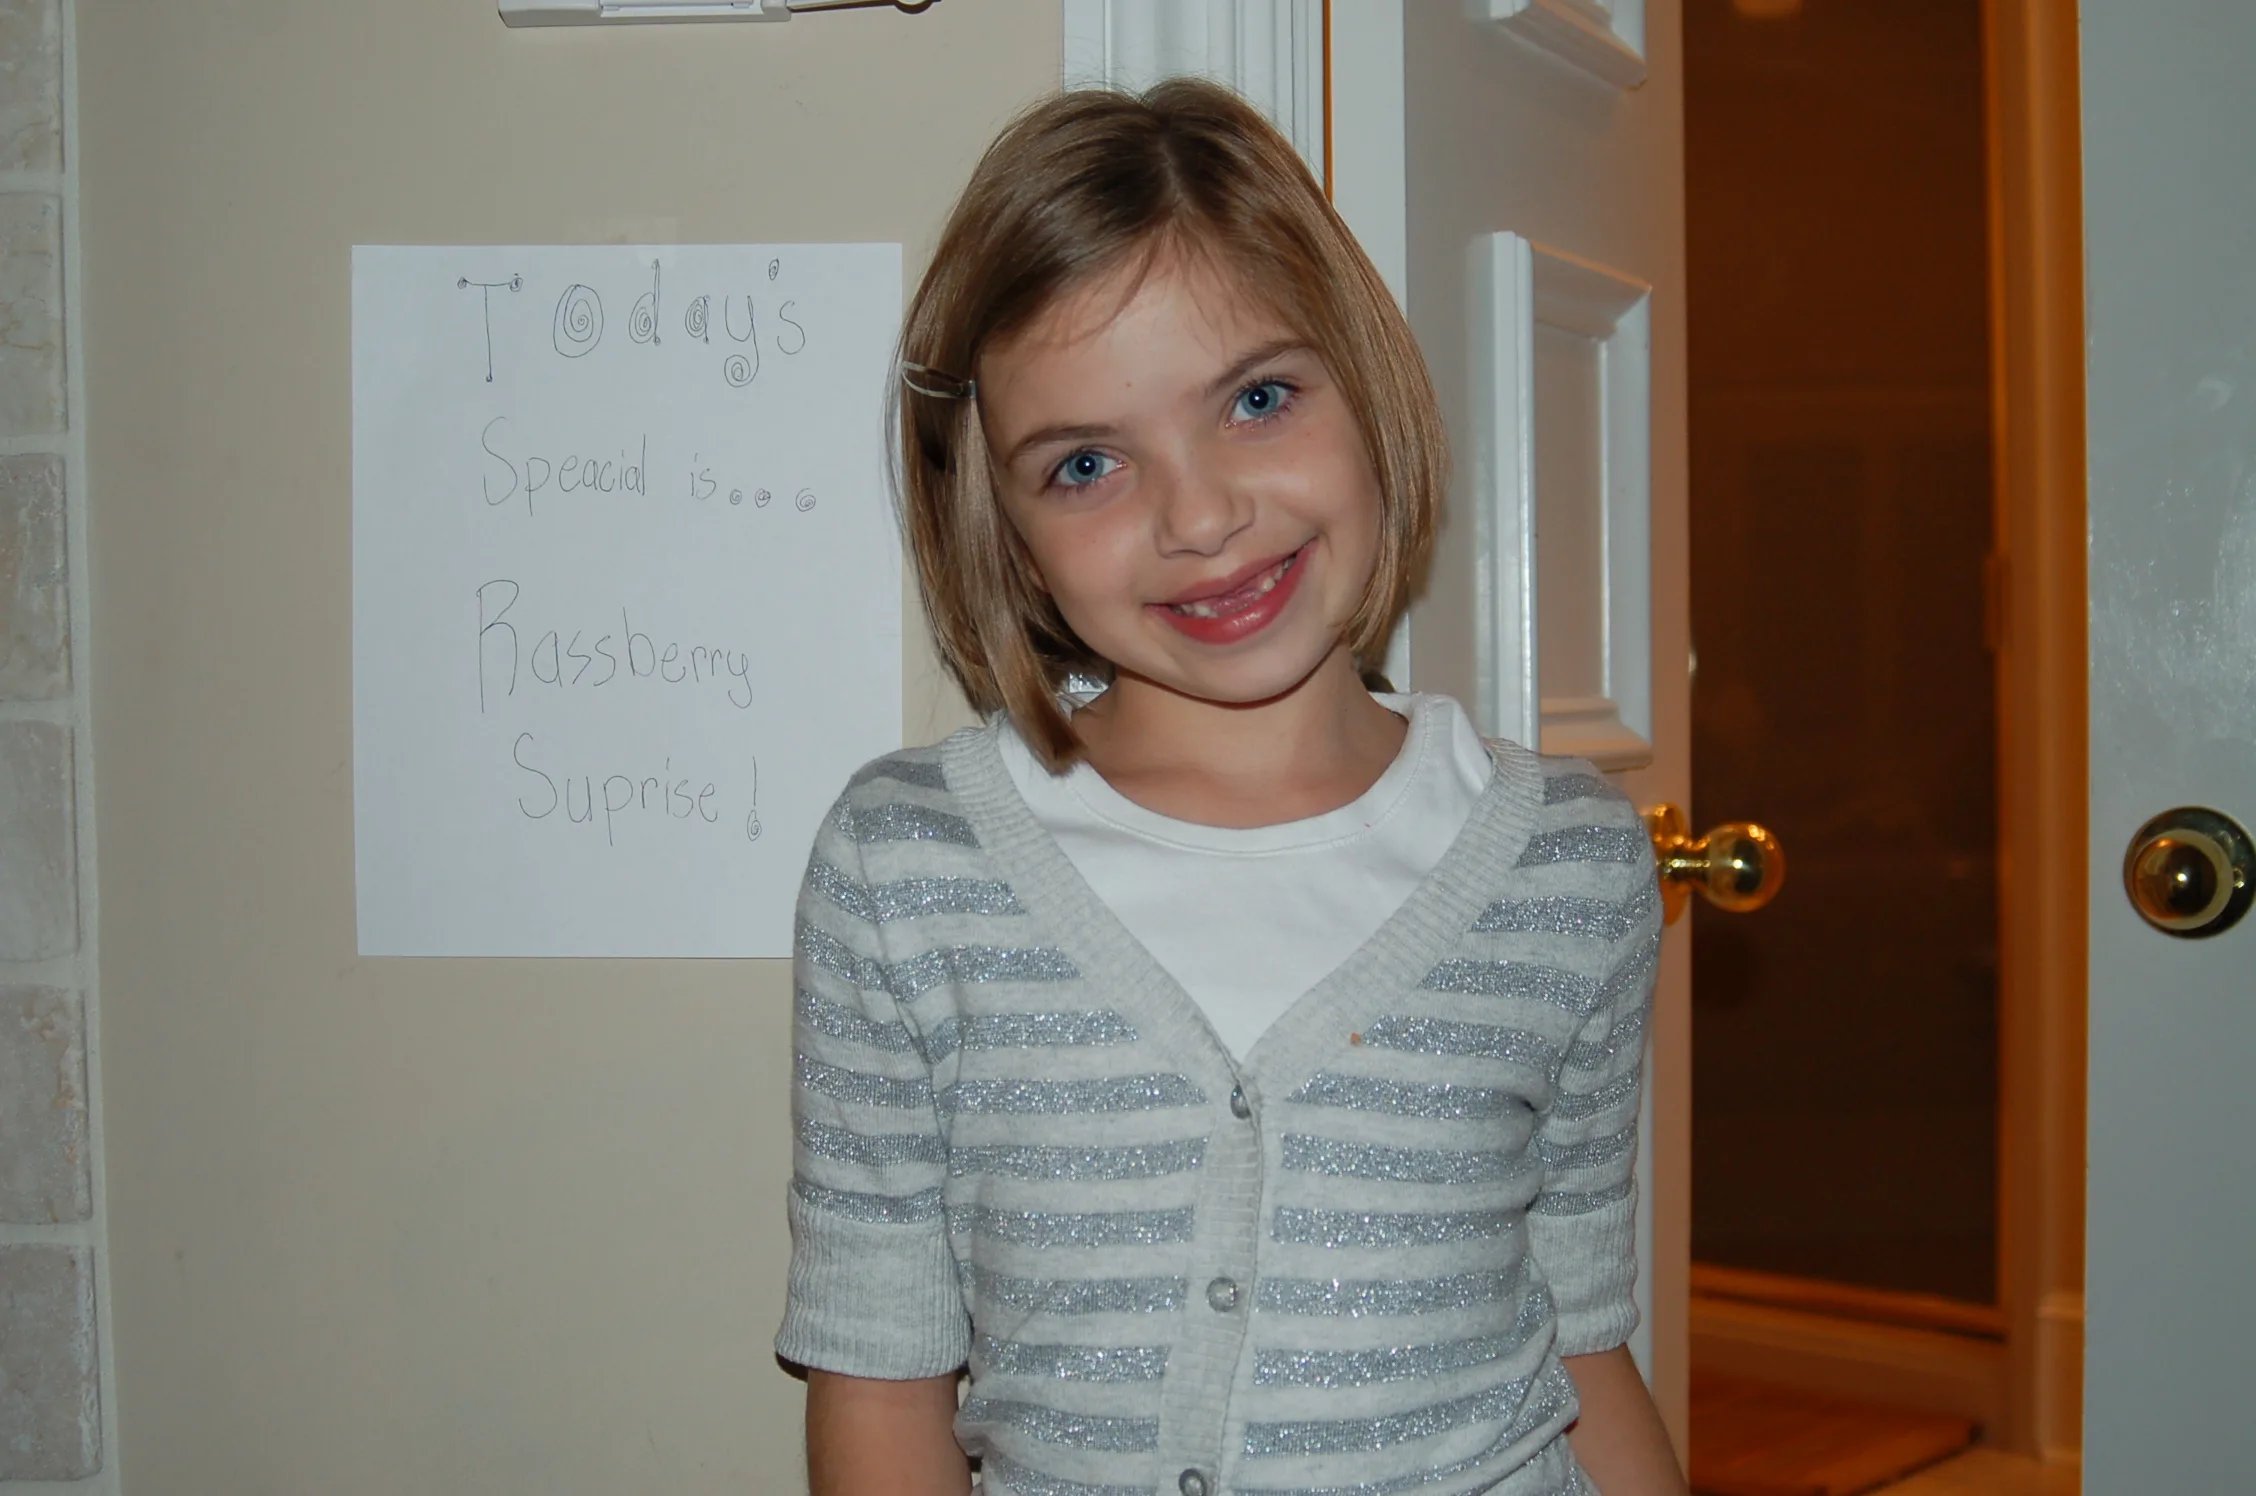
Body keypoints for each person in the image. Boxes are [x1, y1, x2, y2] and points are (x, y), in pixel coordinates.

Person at [775, 78, 1682, 1496]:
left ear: (1365, 383)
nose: (1199, 517)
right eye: (1087, 464)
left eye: (1258, 399)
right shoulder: (907, 869)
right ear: (1004, 530)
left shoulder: (1570, 863)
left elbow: (1581, 1343)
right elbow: (880, 1383)